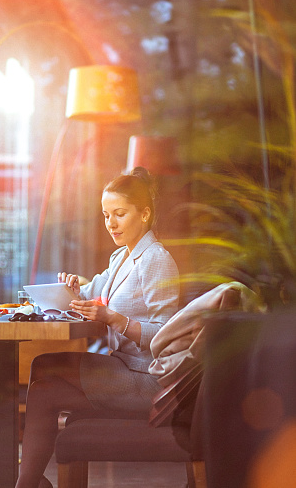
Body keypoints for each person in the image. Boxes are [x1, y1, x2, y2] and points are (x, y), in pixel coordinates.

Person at [15, 167, 180, 488]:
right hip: (122, 369)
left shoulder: (156, 259)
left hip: (147, 380)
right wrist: (73, 288)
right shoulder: (122, 257)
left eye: (120, 214)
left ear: (144, 214)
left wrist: (113, 319)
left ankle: (27, 482)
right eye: (106, 215)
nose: (111, 224)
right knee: (43, 389)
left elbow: (164, 336)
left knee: (45, 366)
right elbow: (93, 294)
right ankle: (29, 482)